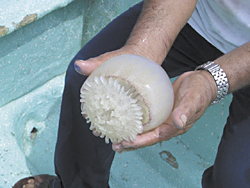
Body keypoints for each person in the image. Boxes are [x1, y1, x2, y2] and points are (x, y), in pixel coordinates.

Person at [14, 0, 250, 187]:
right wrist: (142, 48)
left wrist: (212, 82)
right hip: (194, 18)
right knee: (86, 79)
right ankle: (79, 185)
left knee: (235, 179)